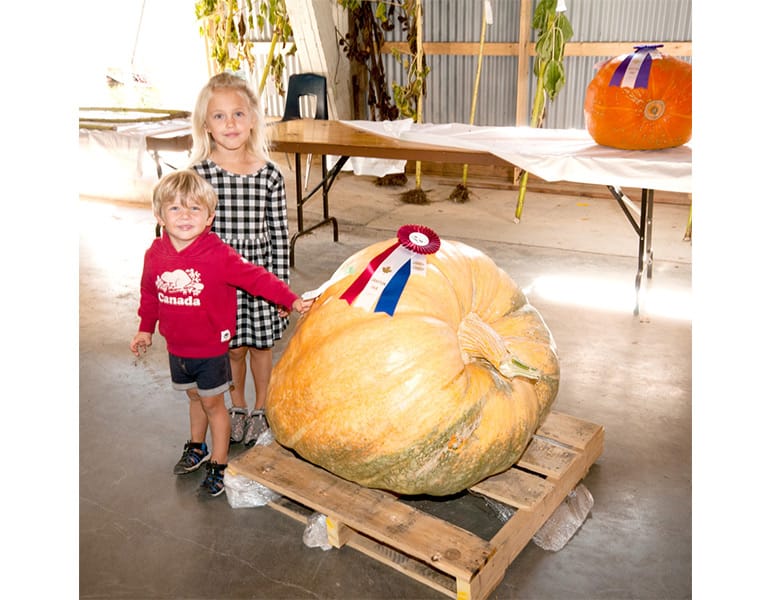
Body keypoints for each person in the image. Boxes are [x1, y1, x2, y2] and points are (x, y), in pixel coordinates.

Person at [130, 170, 311, 497]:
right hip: (178, 350)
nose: (185, 215)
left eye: (194, 209)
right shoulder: (154, 255)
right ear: (159, 215)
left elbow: (256, 278)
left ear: (210, 216)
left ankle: (219, 461)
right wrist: (146, 329)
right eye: (175, 208)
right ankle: (197, 447)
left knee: (214, 404)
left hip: (211, 350)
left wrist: (289, 298)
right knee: (194, 398)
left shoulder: (218, 255)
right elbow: (149, 293)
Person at [189, 71, 292, 447]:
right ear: (206, 124)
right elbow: (187, 233)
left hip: (259, 277)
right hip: (219, 281)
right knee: (231, 346)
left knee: (261, 345)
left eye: (238, 114)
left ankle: (262, 408)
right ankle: (236, 404)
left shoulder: (269, 174)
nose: (229, 123)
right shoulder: (198, 174)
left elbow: (279, 232)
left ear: (252, 120)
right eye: (219, 116)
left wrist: (280, 287)